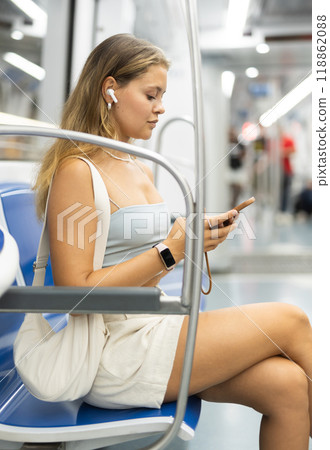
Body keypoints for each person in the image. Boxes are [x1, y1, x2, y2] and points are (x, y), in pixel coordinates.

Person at [34, 34, 311, 450]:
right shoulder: (78, 169)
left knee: (286, 386)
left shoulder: (135, 165)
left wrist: (191, 242)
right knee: (292, 320)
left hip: (149, 325)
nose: (161, 107)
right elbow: (76, 294)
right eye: (151, 94)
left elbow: (141, 262)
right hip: (111, 348)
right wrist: (170, 252)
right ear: (110, 90)